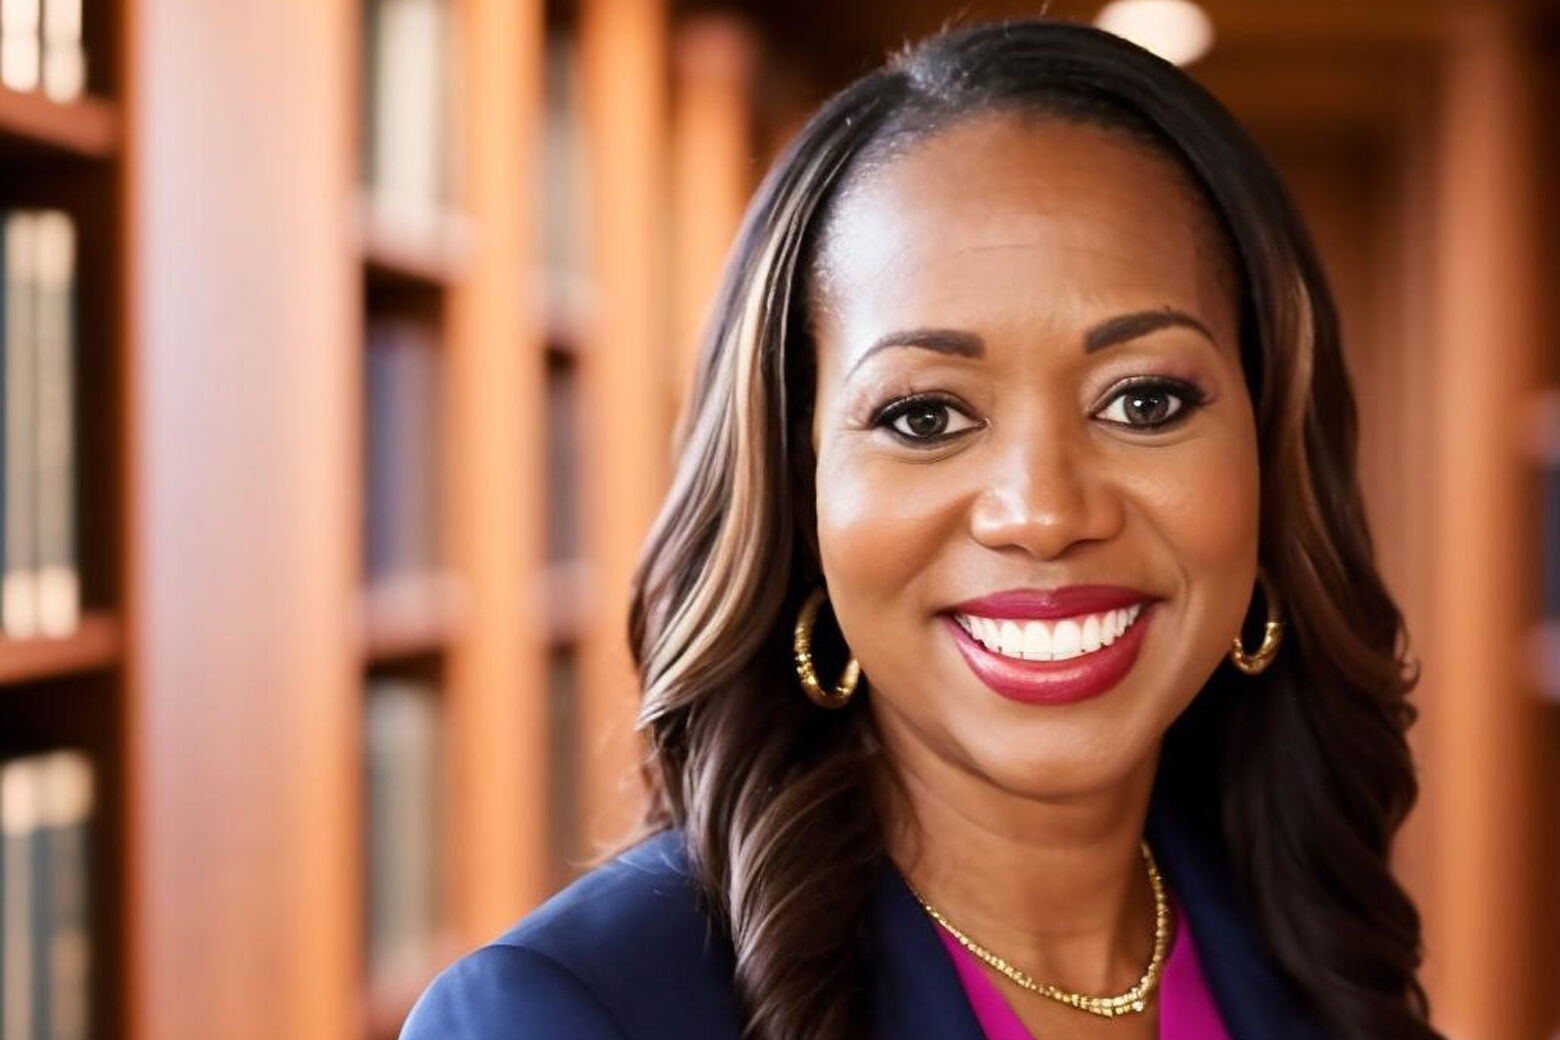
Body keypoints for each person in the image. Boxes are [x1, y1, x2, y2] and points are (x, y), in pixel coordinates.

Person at [400, 18, 1440, 1040]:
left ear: (1268, 457)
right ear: (796, 488)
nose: (1044, 511)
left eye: (1145, 401)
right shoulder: (561, 1014)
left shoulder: (1307, 941)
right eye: (925, 414)